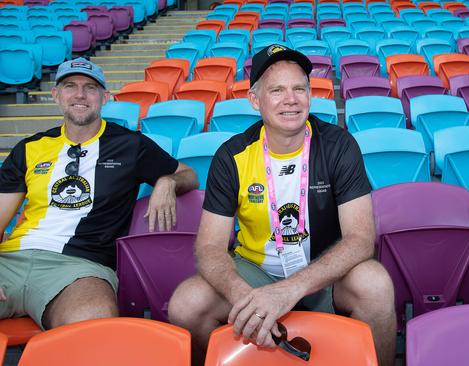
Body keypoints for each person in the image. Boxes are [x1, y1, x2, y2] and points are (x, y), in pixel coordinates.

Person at [168, 45, 396, 365]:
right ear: (254, 100)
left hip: (324, 271)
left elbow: (360, 240)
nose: (290, 99)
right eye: (276, 90)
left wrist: (290, 290)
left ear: (309, 95)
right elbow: (209, 247)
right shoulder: (232, 155)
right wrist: (246, 299)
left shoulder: (339, 145)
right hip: (256, 272)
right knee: (186, 303)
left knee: (376, 284)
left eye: (299, 88)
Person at [0, 57, 198, 330]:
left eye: (90, 88)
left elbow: (189, 174)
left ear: (105, 97)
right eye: (70, 86)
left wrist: (167, 182)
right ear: (56, 95)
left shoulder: (130, 145)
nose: (80, 94)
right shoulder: (30, 147)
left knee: (95, 319)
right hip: (11, 261)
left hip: (78, 268)